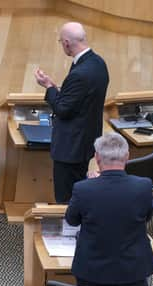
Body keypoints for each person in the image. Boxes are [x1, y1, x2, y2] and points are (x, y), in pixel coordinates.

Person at [66, 133, 153, 286]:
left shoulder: (83, 189)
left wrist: (91, 183)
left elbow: (72, 220)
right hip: (133, 270)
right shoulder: (144, 186)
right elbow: (148, 216)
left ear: (97, 157)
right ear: (127, 156)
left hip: (92, 272)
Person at [34, 21, 109, 203]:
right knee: (78, 192)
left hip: (71, 147)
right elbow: (76, 101)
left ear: (67, 42)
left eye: (61, 42)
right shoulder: (98, 63)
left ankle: (70, 230)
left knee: (67, 198)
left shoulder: (80, 73)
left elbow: (62, 109)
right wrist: (54, 87)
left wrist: (49, 88)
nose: (62, 45)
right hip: (85, 142)